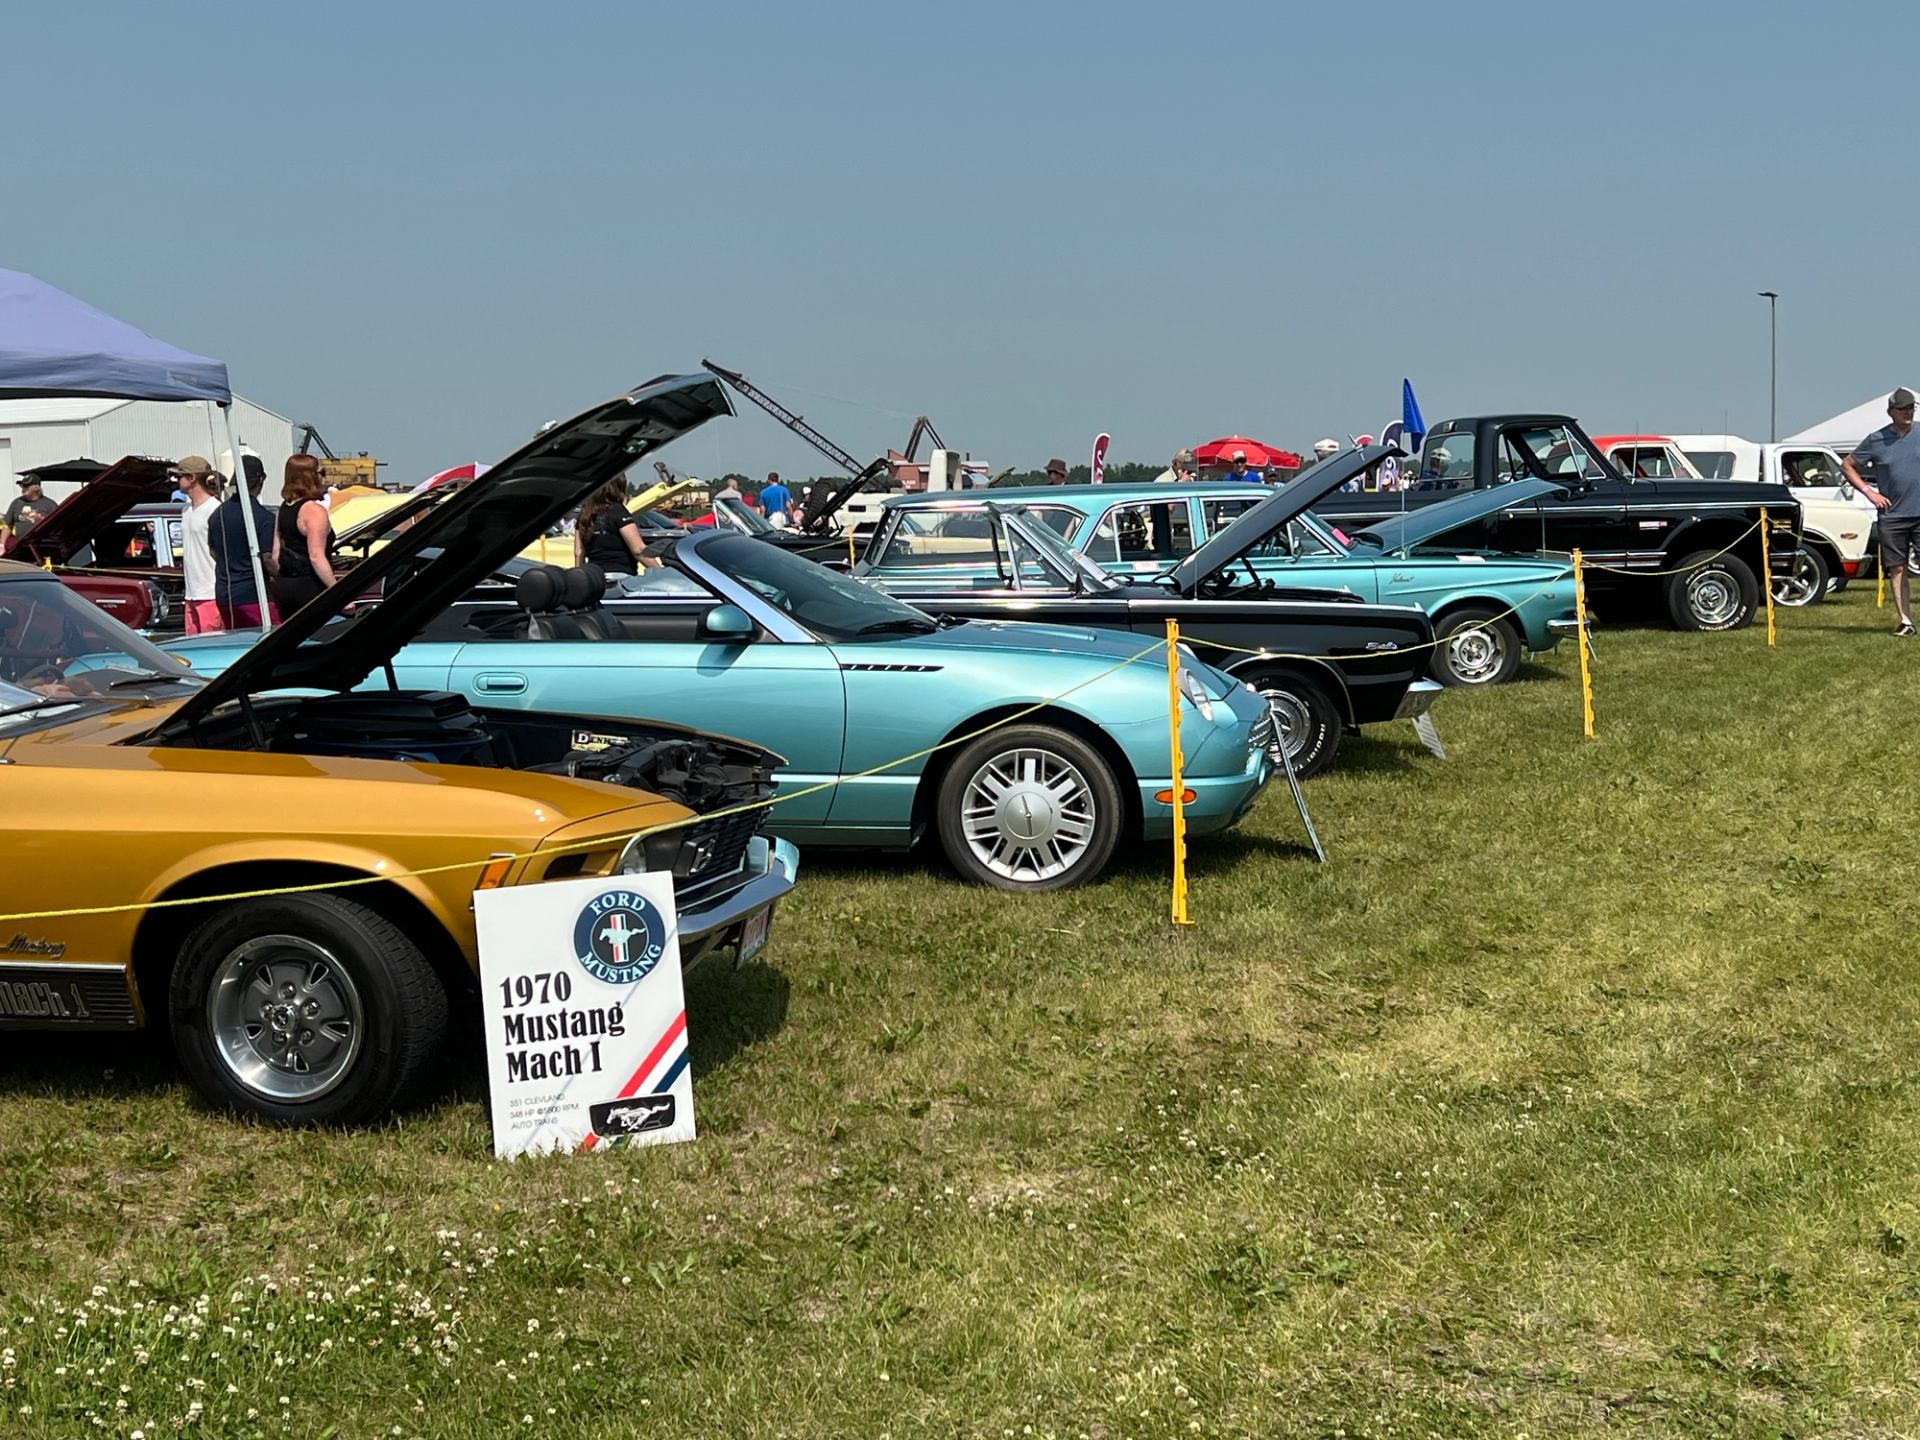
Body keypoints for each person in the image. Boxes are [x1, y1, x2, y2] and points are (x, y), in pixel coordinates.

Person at [1844, 386, 1920, 635]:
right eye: (1903, 409)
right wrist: (1870, 492)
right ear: (1891, 412)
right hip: (1893, 516)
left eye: (1911, 408)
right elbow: (1848, 466)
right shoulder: (1876, 440)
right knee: (1897, 568)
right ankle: (1906, 621)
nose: (1908, 412)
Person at [208, 456, 280, 628]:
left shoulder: (217, 515)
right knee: (271, 642)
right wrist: (285, 577)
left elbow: (213, 552)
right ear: (261, 480)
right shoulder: (264, 518)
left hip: (225, 595)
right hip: (254, 596)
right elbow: (268, 559)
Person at [274, 454, 338, 614]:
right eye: (321, 473)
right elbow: (316, 557)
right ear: (311, 476)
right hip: (311, 586)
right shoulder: (313, 511)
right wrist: (338, 591)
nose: (323, 478)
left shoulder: (283, 509)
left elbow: (275, 554)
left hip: (285, 586)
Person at [175, 455, 224, 635]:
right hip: (191, 592)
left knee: (212, 645)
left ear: (192, 478)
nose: (177, 480)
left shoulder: (215, 509)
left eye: (179, 476)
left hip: (210, 592)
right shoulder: (185, 510)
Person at [574, 478, 654, 575]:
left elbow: (578, 552)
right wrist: (661, 572)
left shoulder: (585, 515)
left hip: (595, 576)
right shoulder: (618, 511)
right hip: (620, 574)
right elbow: (638, 550)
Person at [2, 471, 57, 546]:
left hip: (44, 546)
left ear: (36, 488)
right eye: (22, 486)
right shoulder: (17, 503)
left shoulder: (50, 505)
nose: (23, 488)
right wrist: (1, 545)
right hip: (21, 547)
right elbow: (7, 526)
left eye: (26, 486)